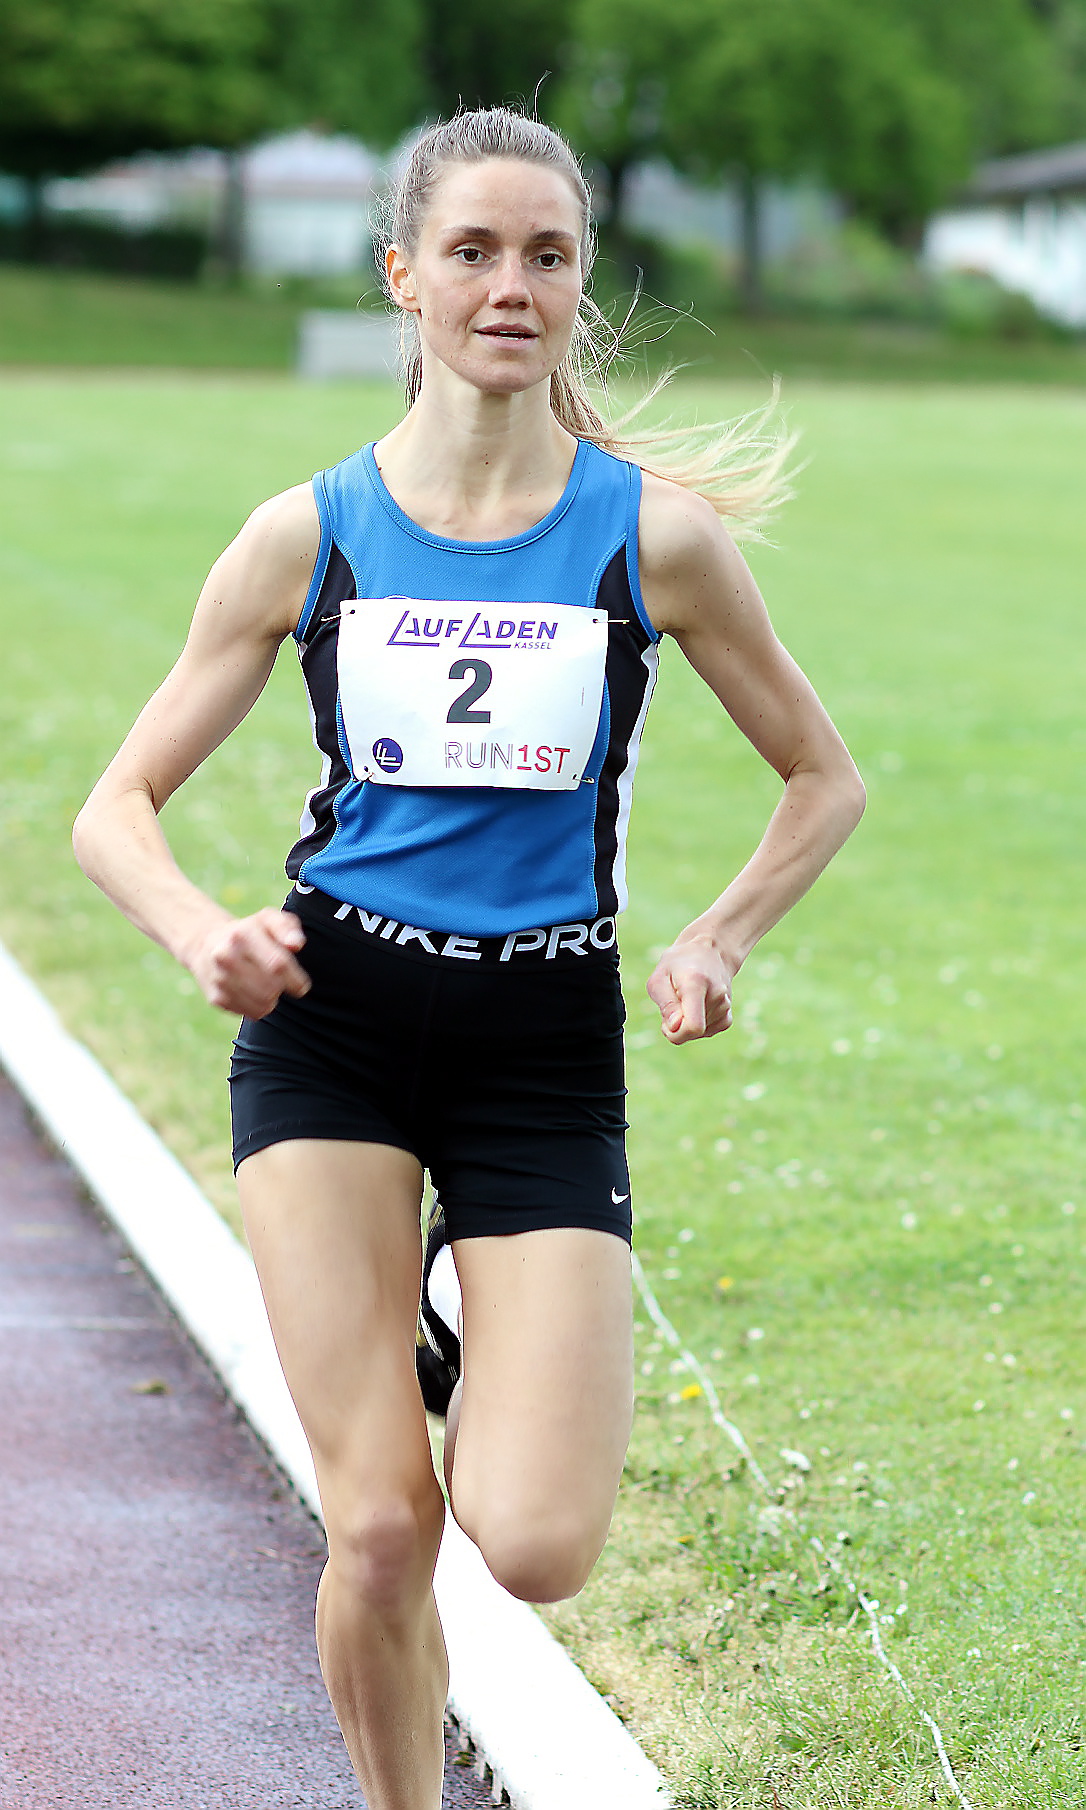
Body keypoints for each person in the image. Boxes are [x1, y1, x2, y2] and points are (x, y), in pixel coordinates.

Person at [73, 107, 865, 1810]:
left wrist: (717, 932)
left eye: (546, 255)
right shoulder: (308, 534)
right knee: (378, 1522)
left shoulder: (653, 538)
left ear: (580, 287)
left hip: (541, 1042)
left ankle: (449, 1295)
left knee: (536, 1541)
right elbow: (113, 808)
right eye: (473, 251)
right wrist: (206, 931)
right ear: (403, 276)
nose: (510, 285)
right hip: (332, 1019)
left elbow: (823, 776)